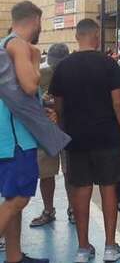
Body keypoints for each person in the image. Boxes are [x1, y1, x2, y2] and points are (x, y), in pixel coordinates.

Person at [50, 19, 120, 262]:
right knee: (109, 189)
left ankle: (83, 248)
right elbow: (118, 103)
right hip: (107, 137)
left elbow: (58, 107)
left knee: (81, 191)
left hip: (76, 139)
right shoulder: (109, 64)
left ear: (76, 37)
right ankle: (109, 246)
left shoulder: (63, 67)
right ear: (96, 37)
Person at [0, 1, 49, 263]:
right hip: (18, 139)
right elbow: (30, 85)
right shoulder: (18, 45)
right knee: (18, 199)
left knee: (12, 199)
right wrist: (34, 57)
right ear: (35, 20)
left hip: (9, 137)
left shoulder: (6, 44)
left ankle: (14, 257)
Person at [30, 43, 73, 228]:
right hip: (47, 130)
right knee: (46, 173)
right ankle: (49, 210)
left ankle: (72, 209)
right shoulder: (40, 74)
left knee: (70, 172)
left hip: (67, 128)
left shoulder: (74, 75)